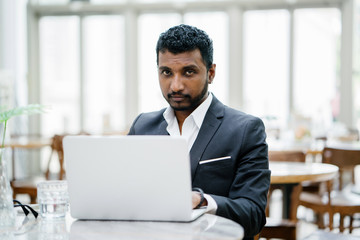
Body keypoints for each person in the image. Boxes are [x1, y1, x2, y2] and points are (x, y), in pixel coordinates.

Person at [128, 24, 270, 239]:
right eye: (166, 72)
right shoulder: (142, 126)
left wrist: (202, 201)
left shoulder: (246, 129)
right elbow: (125, 195)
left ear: (211, 73)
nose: (175, 86)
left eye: (189, 72)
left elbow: (253, 214)